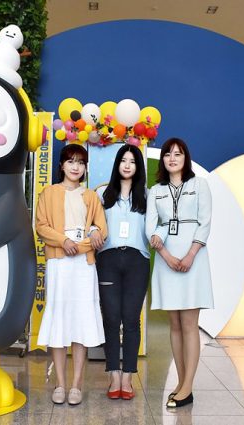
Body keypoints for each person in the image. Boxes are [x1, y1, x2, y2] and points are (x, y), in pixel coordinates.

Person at [35, 143, 108, 406]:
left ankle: (76, 384)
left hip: (83, 265)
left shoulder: (91, 197)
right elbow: (41, 226)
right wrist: (63, 241)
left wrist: (82, 245)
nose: (76, 167)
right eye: (71, 161)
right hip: (59, 263)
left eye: (80, 162)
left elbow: (102, 230)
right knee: (59, 319)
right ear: (62, 166)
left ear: (85, 167)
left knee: (81, 320)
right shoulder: (49, 193)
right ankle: (60, 384)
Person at [146, 137, 214, 408]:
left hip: (193, 259)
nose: (172, 158)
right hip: (166, 260)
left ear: (186, 158)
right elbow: (151, 226)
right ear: (163, 159)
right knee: (174, 324)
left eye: (178, 154)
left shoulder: (199, 185)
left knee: (189, 324)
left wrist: (190, 255)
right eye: (168, 154)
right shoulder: (156, 191)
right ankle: (182, 382)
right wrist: (166, 255)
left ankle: (187, 386)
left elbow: (205, 222)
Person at [95, 144, 149, 401]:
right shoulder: (102, 194)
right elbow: (92, 223)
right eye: (123, 160)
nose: (127, 165)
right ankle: (113, 375)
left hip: (138, 260)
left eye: (133, 161)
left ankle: (127, 377)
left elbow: (157, 226)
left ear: (138, 167)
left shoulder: (147, 196)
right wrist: (93, 232)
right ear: (117, 164)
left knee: (131, 320)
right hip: (108, 259)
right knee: (111, 318)